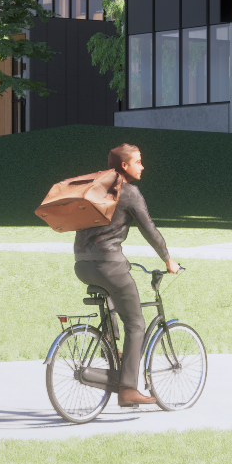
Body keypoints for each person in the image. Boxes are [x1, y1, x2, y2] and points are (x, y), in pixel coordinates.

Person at [75, 143, 178, 407]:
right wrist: (168, 260)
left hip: (82, 264)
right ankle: (129, 388)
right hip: (109, 264)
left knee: (113, 300)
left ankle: (110, 346)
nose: (142, 166)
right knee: (136, 324)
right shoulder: (128, 192)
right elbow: (149, 229)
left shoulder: (96, 187)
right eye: (138, 161)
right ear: (124, 166)